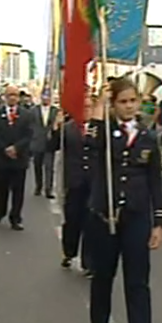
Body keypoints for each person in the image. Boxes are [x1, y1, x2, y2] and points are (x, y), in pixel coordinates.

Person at [85, 78, 162, 323]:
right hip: (105, 215)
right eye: (123, 101)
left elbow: (155, 180)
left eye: (133, 101)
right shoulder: (105, 132)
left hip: (136, 218)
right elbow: (90, 143)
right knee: (103, 275)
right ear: (114, 104)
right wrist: (99, 105)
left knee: (138, 281)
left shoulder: (148, 136)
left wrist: (159, 222)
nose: (129, 106)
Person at [53, 93, 95, 277]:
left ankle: (89, 262)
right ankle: (69, 253)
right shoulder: (68, 128)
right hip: (74, 181)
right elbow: (52, 146)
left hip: (94, 183)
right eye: (83, 107)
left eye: (89, 107)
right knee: (72, 220)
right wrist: (56, 128)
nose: (86, 111)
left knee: (91, 223)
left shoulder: (100, 128)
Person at [0, 85, 33, 230]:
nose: (12, 98)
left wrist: (16, 148)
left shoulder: (27, 114)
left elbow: (29, 135)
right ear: (5, 97)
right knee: (1, 189)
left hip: (19, 159)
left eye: (15, 95)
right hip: (2, 159)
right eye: (9, 95)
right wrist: (5, 149)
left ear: (19, 97)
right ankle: (0, 212)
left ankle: (16, 217)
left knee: (18, 190)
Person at [30, 93, 59, 198]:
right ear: (41, 98)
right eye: (44, 97)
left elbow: (58, 125)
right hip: (37, 142)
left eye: (48, 97)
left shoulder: (55, 111)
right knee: (37, 166)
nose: (46, 99)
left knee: (49, 167)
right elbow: (30, 125)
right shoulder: (33, 110)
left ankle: (48, 189)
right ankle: (38, 186)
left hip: (49, 143)